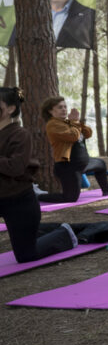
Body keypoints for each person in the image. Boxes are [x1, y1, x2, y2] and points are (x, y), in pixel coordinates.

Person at [0, 87, 79, 263]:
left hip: (18, 201)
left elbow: (15, 167)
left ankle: (64, 233)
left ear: (11, 109)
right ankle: (39, 229)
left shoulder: (20, 135)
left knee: (27, 255)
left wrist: (75, 123)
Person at [38, 96, 108, 203]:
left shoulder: (69, 122)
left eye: (65, 107)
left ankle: (107, 191)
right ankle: (39, 196)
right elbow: (73, 136)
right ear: (50, 111)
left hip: (83, 164)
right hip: (68, 167)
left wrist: (78, 122)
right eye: (60, 107)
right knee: (70, 198)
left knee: (100, 164)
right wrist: (75, 122)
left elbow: (88, 133)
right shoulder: (53, 125)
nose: (64, 109)